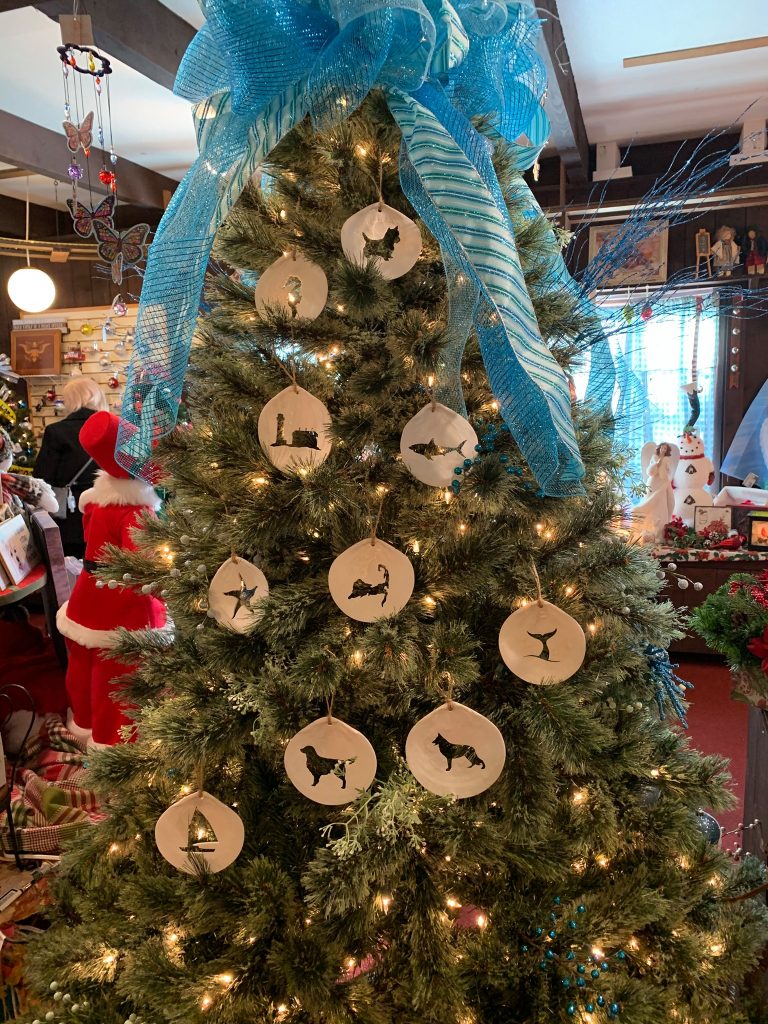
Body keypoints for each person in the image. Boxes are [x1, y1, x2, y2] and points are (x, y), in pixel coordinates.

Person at [34, 378, 107, 558]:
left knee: (72, 571)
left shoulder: (56, 431)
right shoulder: (114, 428)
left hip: (70, 515)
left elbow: (42, 477)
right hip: (108, 509)